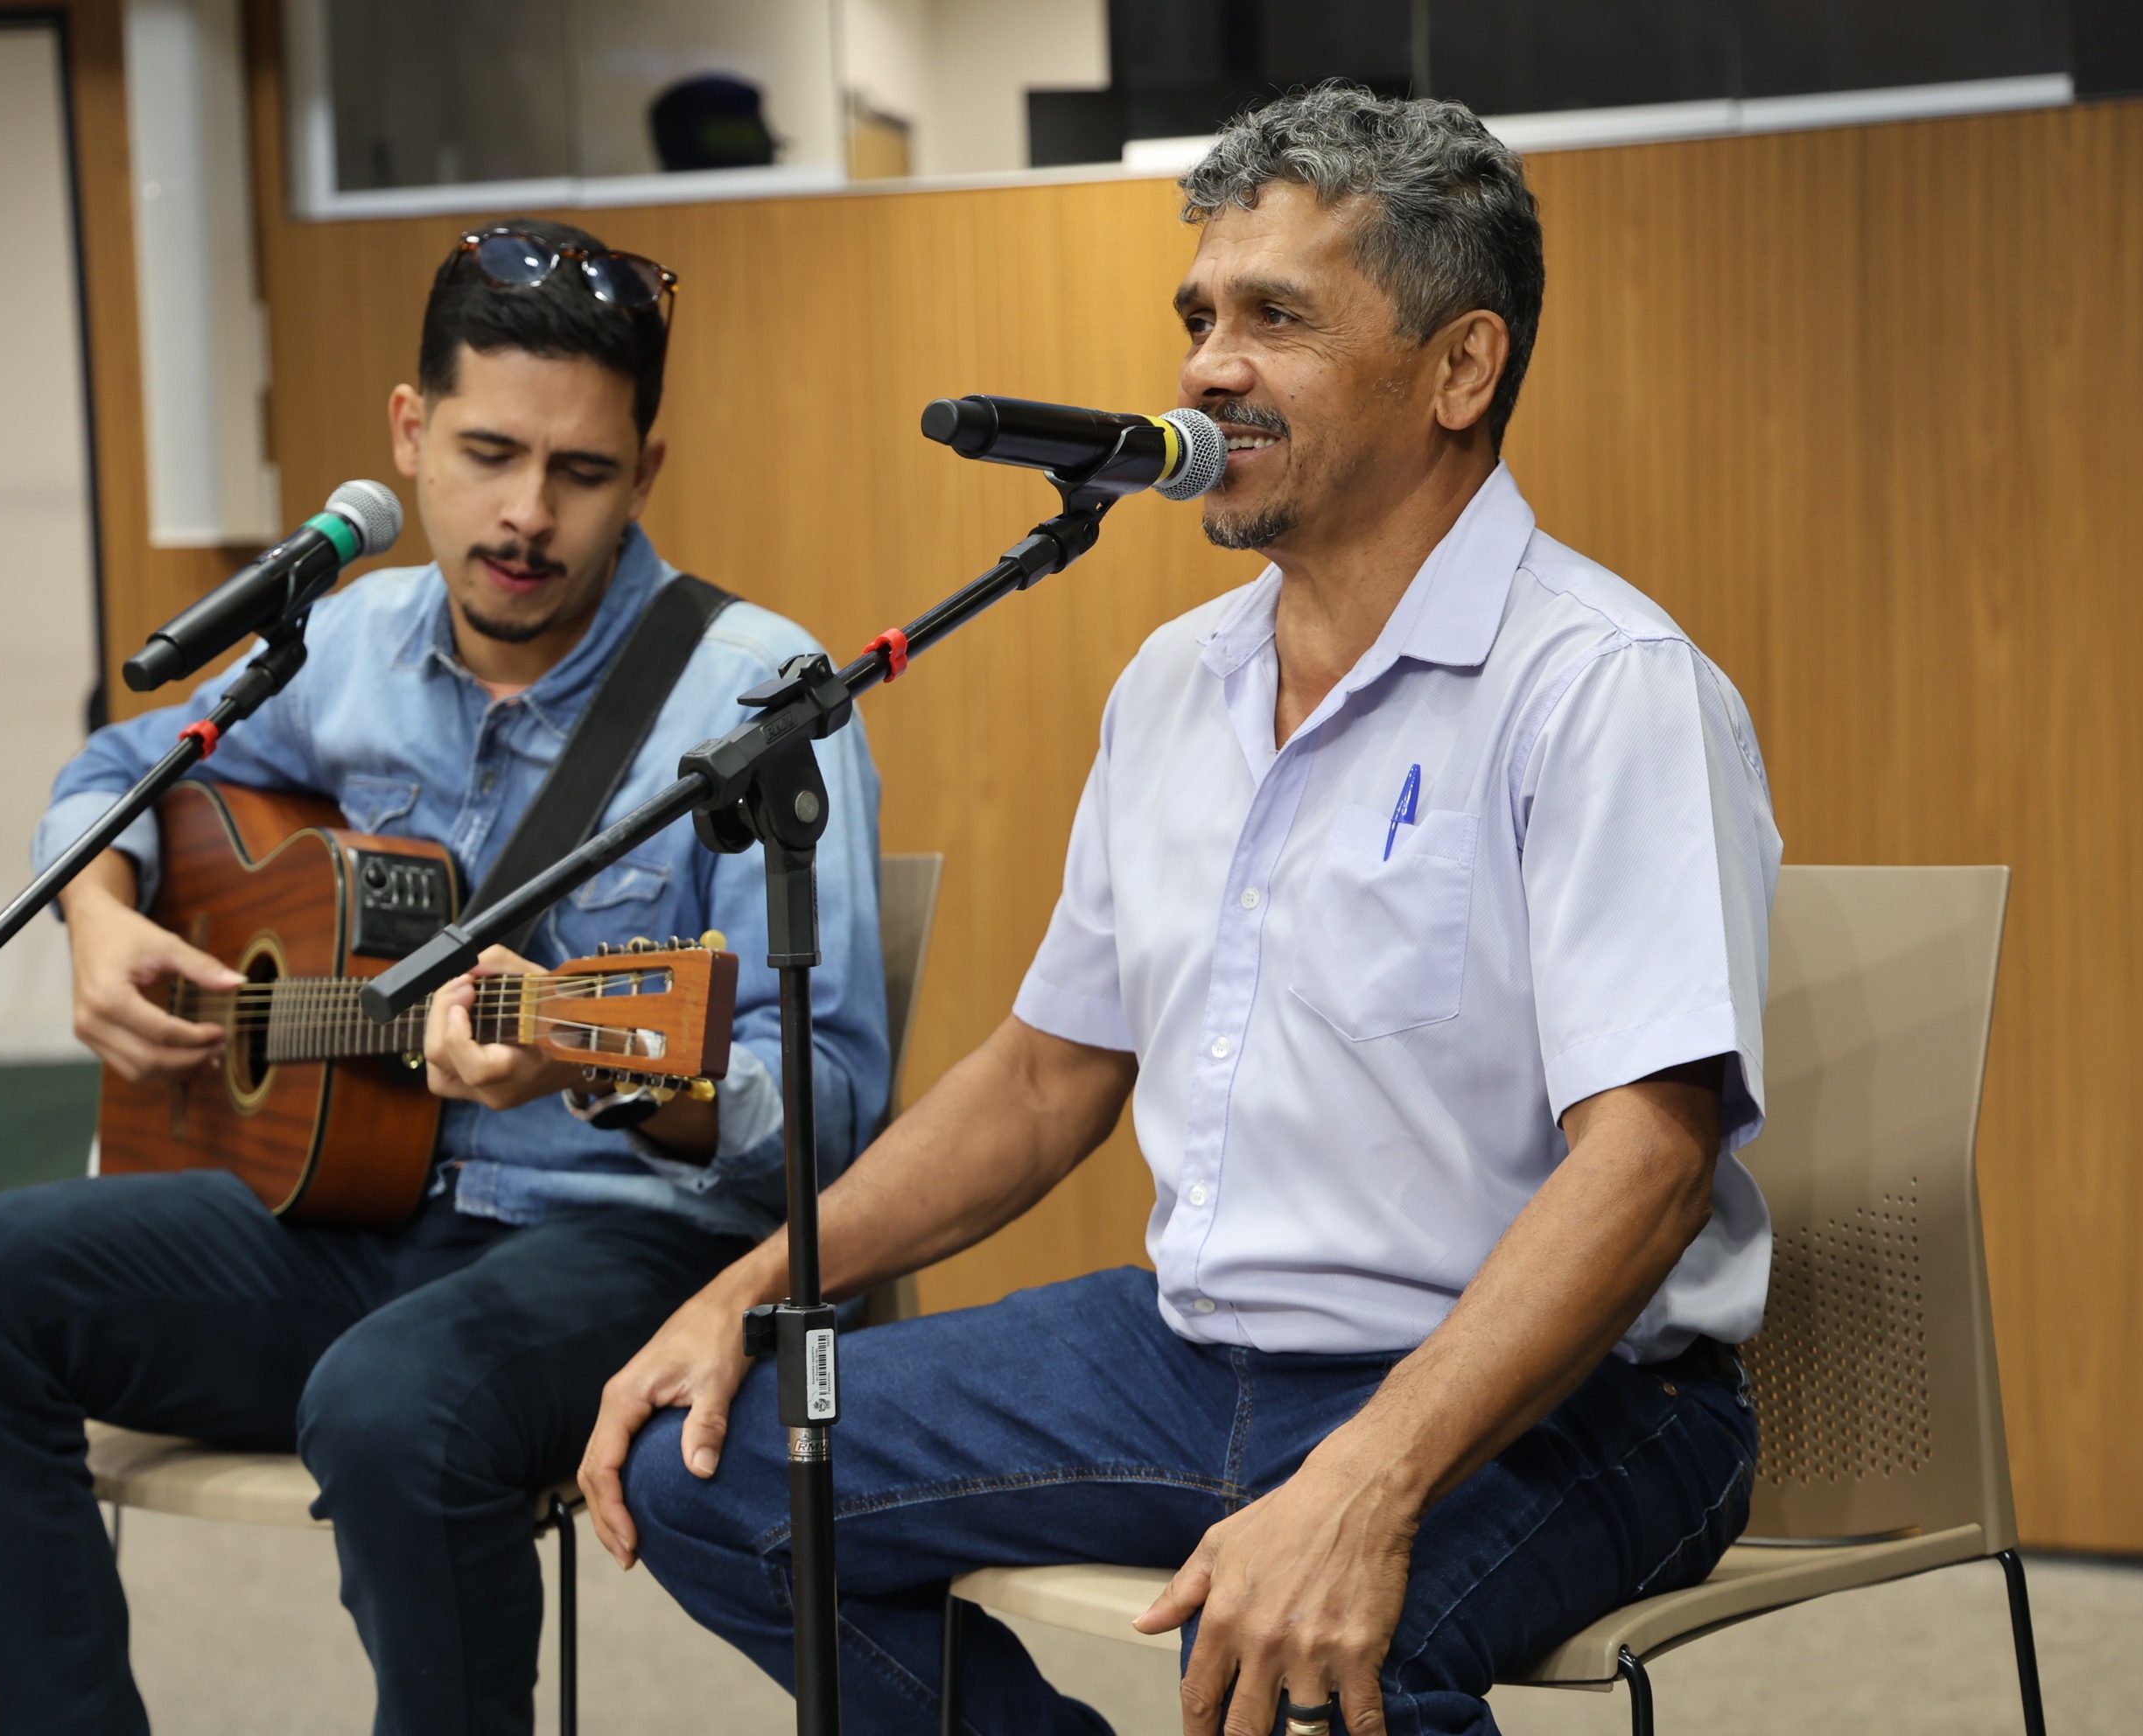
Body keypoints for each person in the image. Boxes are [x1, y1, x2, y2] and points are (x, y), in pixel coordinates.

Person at [579, 89, 1779, 1736]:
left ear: (1461, 369)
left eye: (1276, 318)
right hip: (1191, 1359)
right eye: (1199, 317)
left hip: (1564, 1394)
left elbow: (1648, 1165)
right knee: (712, 1472)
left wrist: (1367, 1479)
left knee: (1322, 1652)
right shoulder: (1171, 684)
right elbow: (1042, 1079)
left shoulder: (1602, 686)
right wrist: (753, 1289)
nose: (1208, 369)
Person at [0, 216, 890, 1736]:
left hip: (618, 1242)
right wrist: (96, 911)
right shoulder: (340, 643)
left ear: (646, 472)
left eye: (582, 471)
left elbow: (833, 1102)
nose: (526, 514)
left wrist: (593, 1068)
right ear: (410, 434)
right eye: (487, 454)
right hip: (343, 1218)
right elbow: (120, 765)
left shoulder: (756, 696)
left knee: (394, 1404)